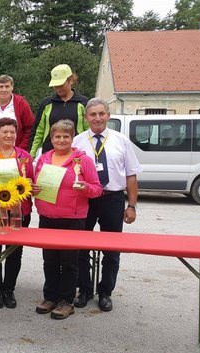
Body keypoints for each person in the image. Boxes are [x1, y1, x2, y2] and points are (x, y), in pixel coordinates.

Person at [73, 98, 142, 312]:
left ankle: (105, 292)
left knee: (111, 250)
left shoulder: (121, 141)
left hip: (112, 198)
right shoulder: (77, 142)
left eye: (101, 114)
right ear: (86, 118)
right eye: (92, 114)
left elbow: (131, 175)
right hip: (85, 199)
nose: (97, 118)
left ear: (108, 116)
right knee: (80, 247)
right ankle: (84, 289)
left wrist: (131, 206)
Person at [32, 119, 102, 320]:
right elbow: (37, 186)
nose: (61, 140)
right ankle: (50, 297)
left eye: (66, 136)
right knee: (49, 260)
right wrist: (34, 189)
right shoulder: (44, 159)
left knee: (70, 261)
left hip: (73, 218)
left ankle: (66, 301)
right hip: (47, 217)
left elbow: (97, 189)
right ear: (51, 138)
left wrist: (86, 188)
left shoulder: (83, 160)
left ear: (72, 139)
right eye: (57, 136)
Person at [0, 118, 34, 309]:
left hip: (18, 211)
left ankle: (9, 290)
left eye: (12, 132)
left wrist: (32, 186)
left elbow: (31, 183)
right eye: (5, 132)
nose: (9, 135)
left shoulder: (24, 156)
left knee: (14, 253)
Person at [29, 64, 89, 158]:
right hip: (49, 154)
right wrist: (31, 155)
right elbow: (37, 132)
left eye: (60, 85)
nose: (57, 89)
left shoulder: (83, 103)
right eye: (55, 86)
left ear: (70, 81)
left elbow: (88, 131)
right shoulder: (46, 103)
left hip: (76, 154)